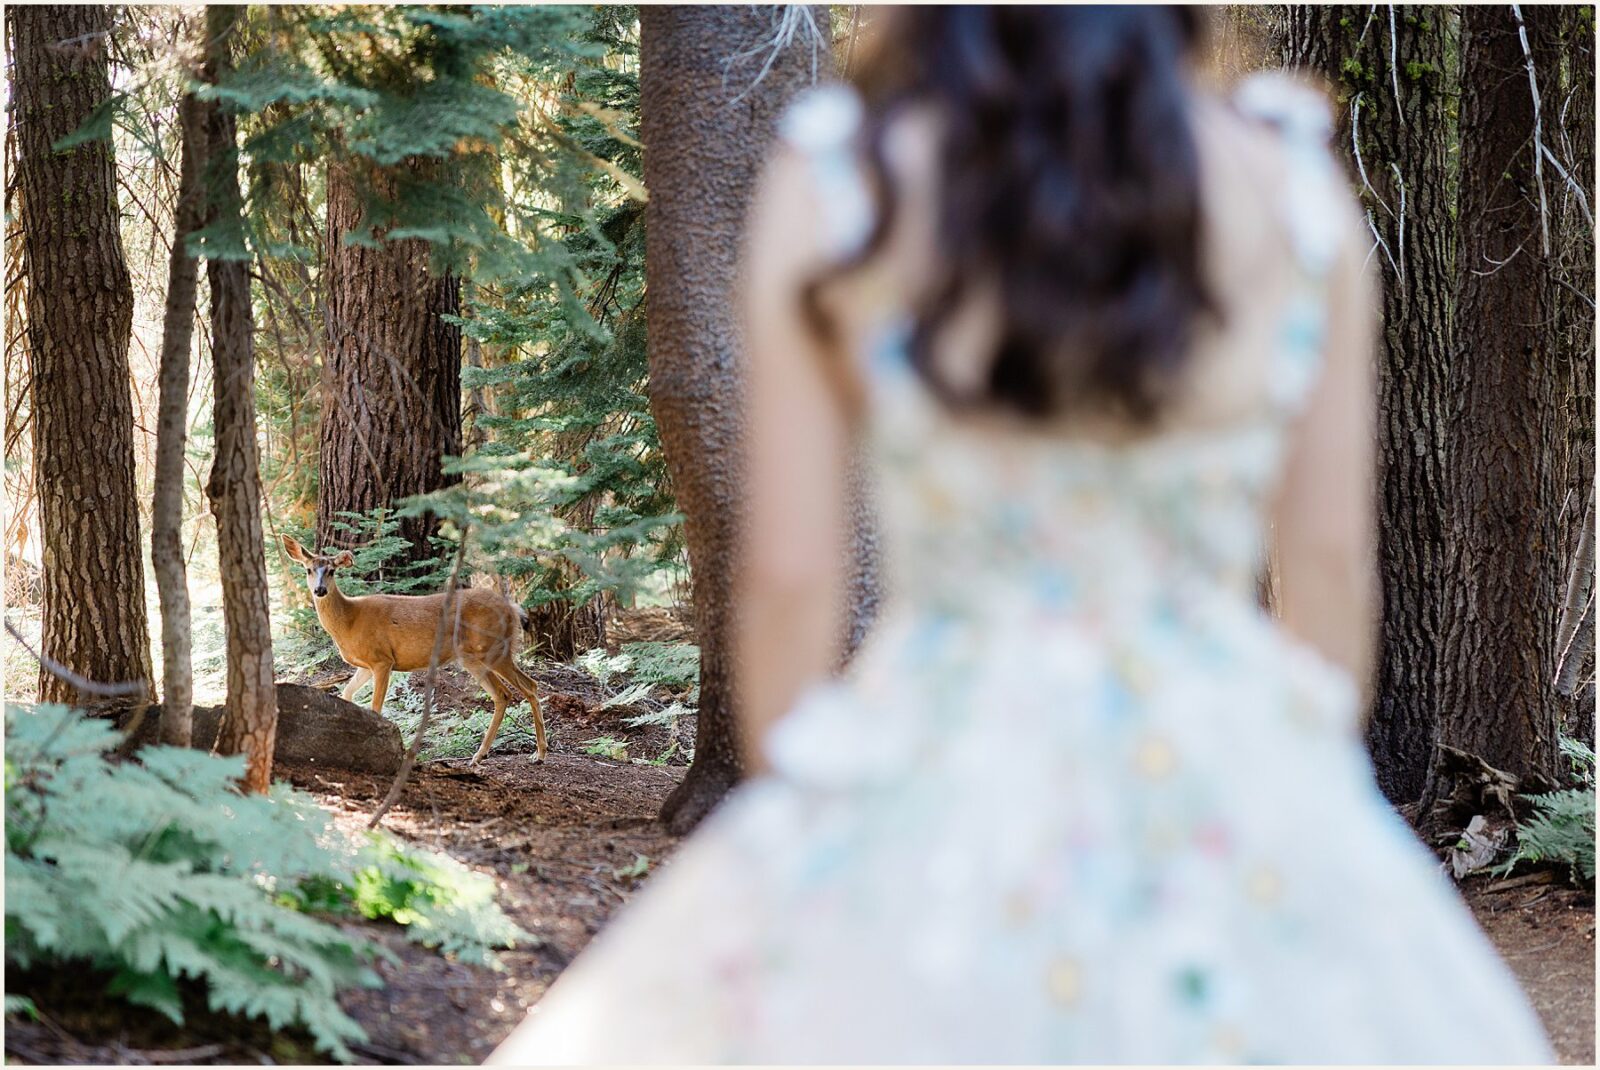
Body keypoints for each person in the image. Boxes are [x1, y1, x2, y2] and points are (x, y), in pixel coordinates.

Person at [491, 8, 1553, 1063]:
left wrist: (802, 836)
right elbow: (1326, 570)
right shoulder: (1285, 183)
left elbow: (787, 579)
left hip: (939, 747)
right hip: (1210, 757)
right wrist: (1295, 799)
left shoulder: (841, 182)